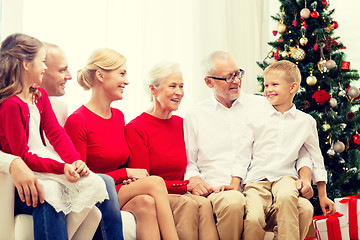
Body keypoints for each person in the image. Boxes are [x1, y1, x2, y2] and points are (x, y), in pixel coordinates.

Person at [183, 51, 315, 239]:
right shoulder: (195, 115)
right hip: (220, 188)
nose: (236, 81)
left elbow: (298, 145)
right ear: (208, 82)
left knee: (304, 208)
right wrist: (195, 179)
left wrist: (305, 176)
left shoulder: (264, 105)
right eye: (228, 77)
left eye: (238, 74)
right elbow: (190, 162)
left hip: (263, 187)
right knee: (234, 201)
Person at [0, 33, 108, 240]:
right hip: (31, 169)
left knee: (95, 185)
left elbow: (56, 133)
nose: (44, 68)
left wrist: (74, 160)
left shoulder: (38, 95)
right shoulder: (10, 105)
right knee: (50, 193)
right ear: (25, 64)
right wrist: (60, 167)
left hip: (45, 162)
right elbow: (21, 154)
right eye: (42, 62)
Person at [64, 48, 179, 240]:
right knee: (156, 182)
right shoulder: (78, 121)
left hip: (116, 189)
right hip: (93, 193)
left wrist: (125, 176)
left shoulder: (118, 116)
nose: (127, 81)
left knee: (146, 204)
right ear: (101, 75)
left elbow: (118, 162)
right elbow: (80, 179)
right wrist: (125, 173)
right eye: (122, 74)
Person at [223, 60, 335, 240]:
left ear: (292, 87)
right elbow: (242, 154)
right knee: (252, 219)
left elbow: (316, 158)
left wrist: (323, 195)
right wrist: (235, 183)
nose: (268, 89)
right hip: (256, 181)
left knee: (286, 198)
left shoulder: (305, 122)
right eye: (266, 85)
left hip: (286, 177)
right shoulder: (255, 118)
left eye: (274, 84)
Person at [40, 42, 125, 240]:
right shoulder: (77, 119)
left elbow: (58, 139)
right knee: (107, 181)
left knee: (145, 200)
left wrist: (75, 161)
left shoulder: (56, 106)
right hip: (50, 175)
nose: (70, 75)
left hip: (64, 171)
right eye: (62, 70)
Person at [125, 62, 218, 240]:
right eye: (173, 86)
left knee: (205, 204)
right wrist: (184, 186)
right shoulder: (136, 128)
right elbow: (144, 182)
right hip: (155, 195)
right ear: (153, 90)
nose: (179, 92)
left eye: (181, 86)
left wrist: (195, 184)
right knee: (187, 205)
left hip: (180, 191)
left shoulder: (181, 123)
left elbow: (192, 163)